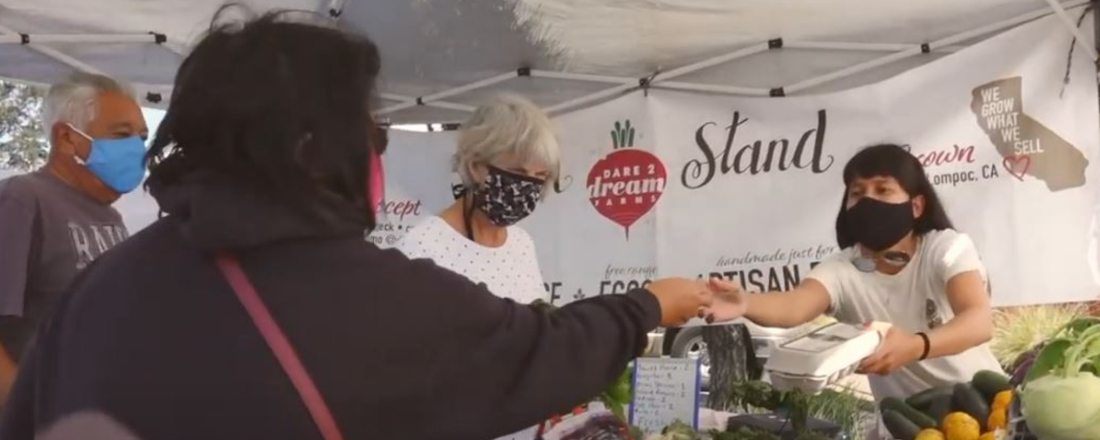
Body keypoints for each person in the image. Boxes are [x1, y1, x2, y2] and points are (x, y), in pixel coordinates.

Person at [0, 12, 719, 440]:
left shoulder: (100, 290)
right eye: (367, 136)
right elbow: (536, 350)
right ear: (313, 148)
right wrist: (649, 305)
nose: (371, 156)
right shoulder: (355, 292)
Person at [706, 144, 1001, 429]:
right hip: (907, 427)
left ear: (916, 205)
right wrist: (746, 303)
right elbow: (796, 305)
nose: (867, 201)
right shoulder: (842, 269)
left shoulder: (946, 248)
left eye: (883, 189)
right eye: (856, 193)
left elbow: (978, 320)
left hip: (988, 413)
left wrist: (914, 346)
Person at [396, 95, 562, 440]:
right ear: (475, 166)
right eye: (516, 172)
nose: (528, 186)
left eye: (540, 176)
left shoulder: (521, 245)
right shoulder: (421, 249)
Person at [0, 72, 147, 402]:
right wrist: (27, 415)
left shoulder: (111, 217)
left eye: (141, 137)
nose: (137, 149)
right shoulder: (23, 199)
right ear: (66, 138)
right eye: (122, 135)